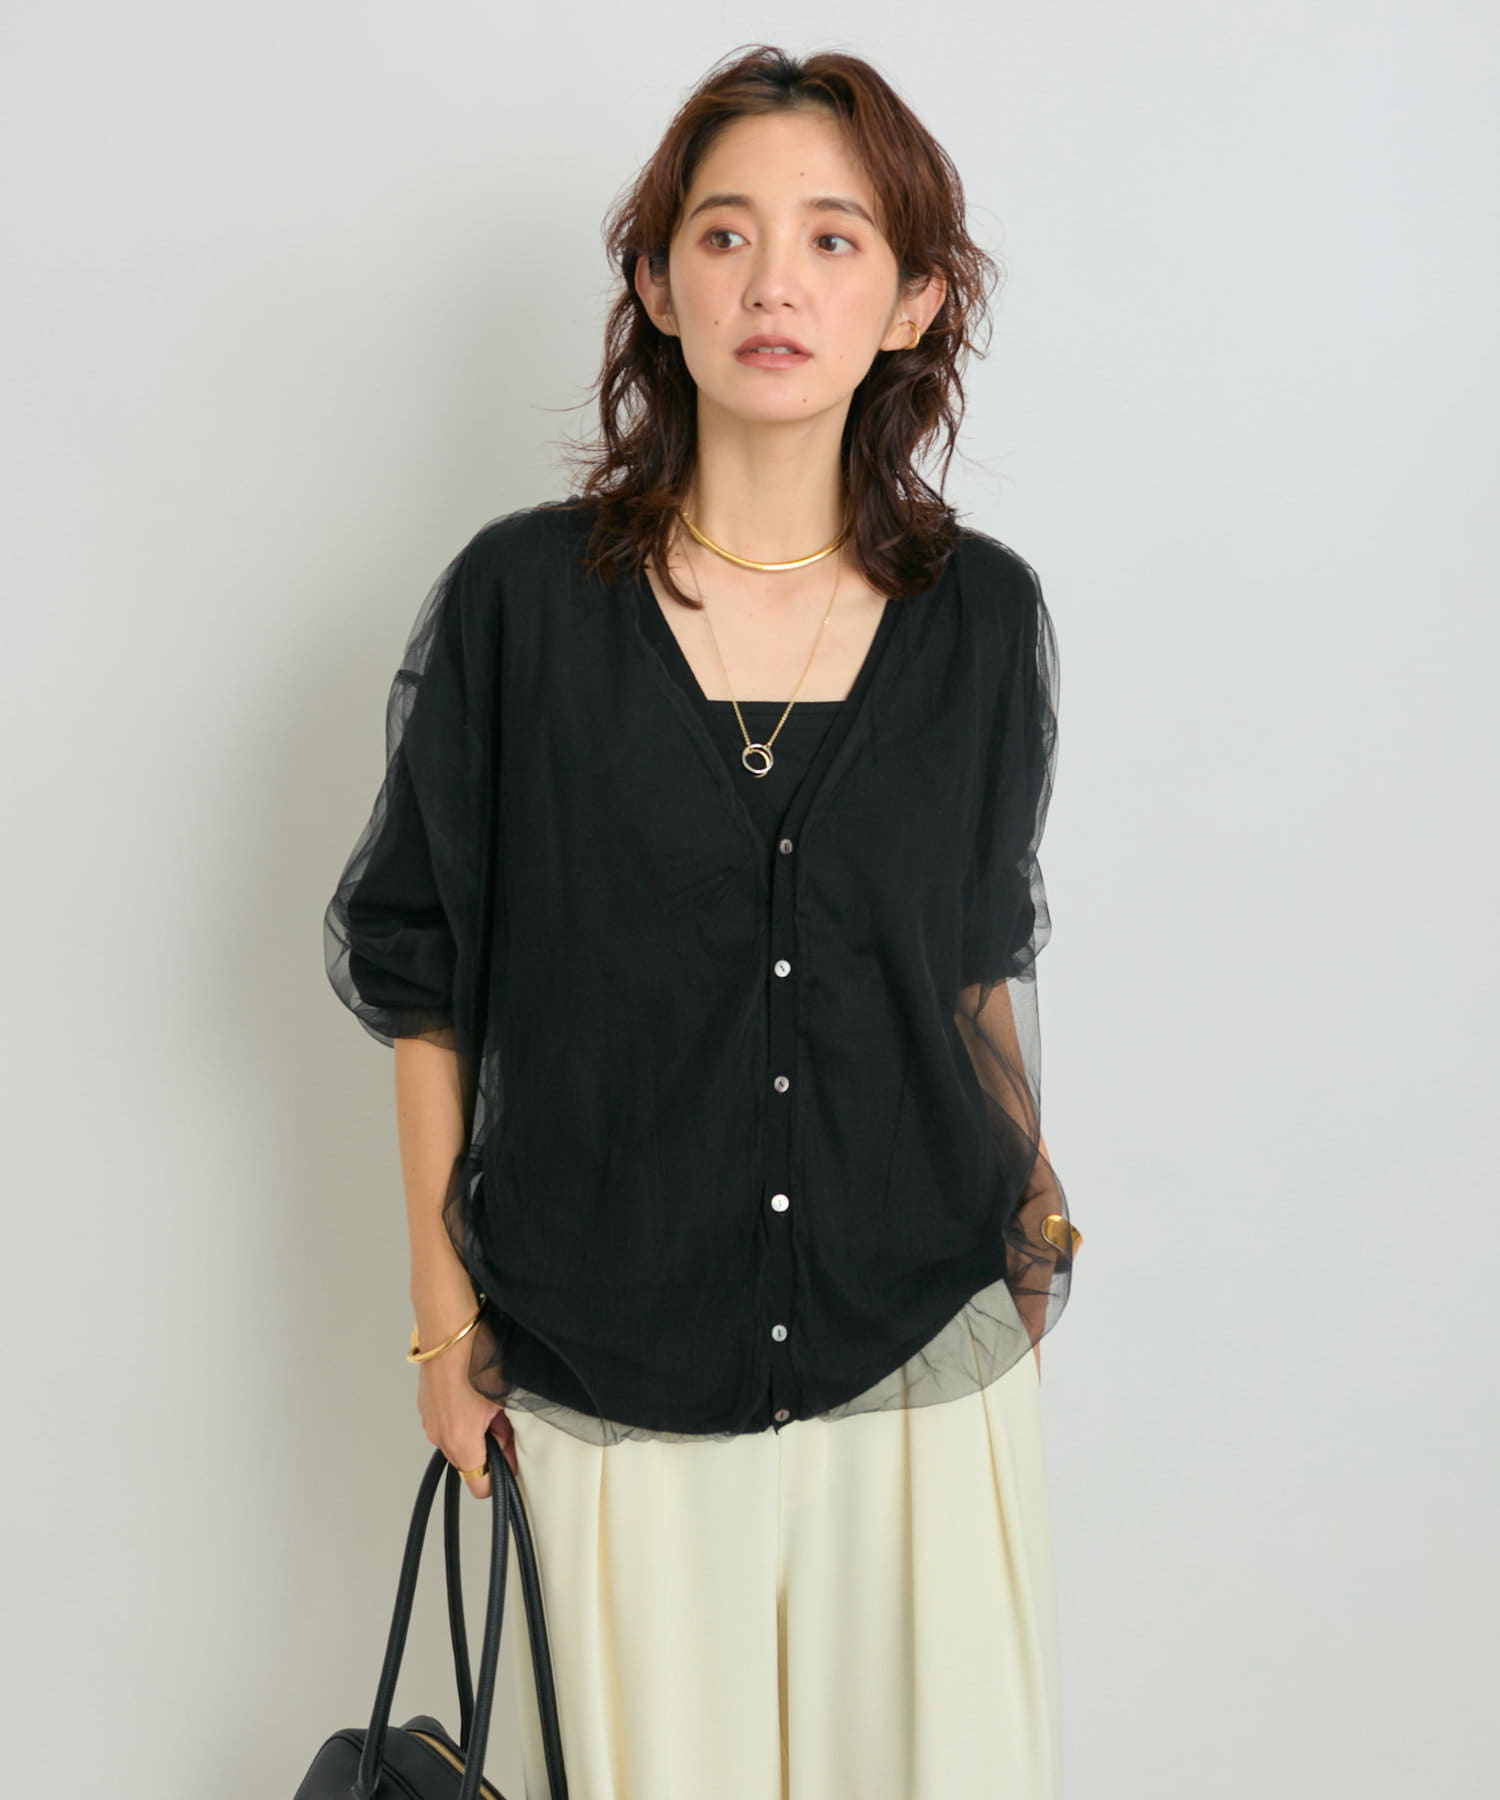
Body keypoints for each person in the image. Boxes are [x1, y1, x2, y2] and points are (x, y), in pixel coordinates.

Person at [323, 43, 1082, 1800]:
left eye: (834, 238)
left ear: (914, 302)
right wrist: (442, 1318)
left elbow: (970, 960)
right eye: (724, 235)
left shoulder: (982, 619)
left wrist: (1042, 1207)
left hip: (923, 1349)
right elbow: (423, 973)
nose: (773, 283)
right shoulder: (523, 605)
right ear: (658, 287)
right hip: (609, 1357)